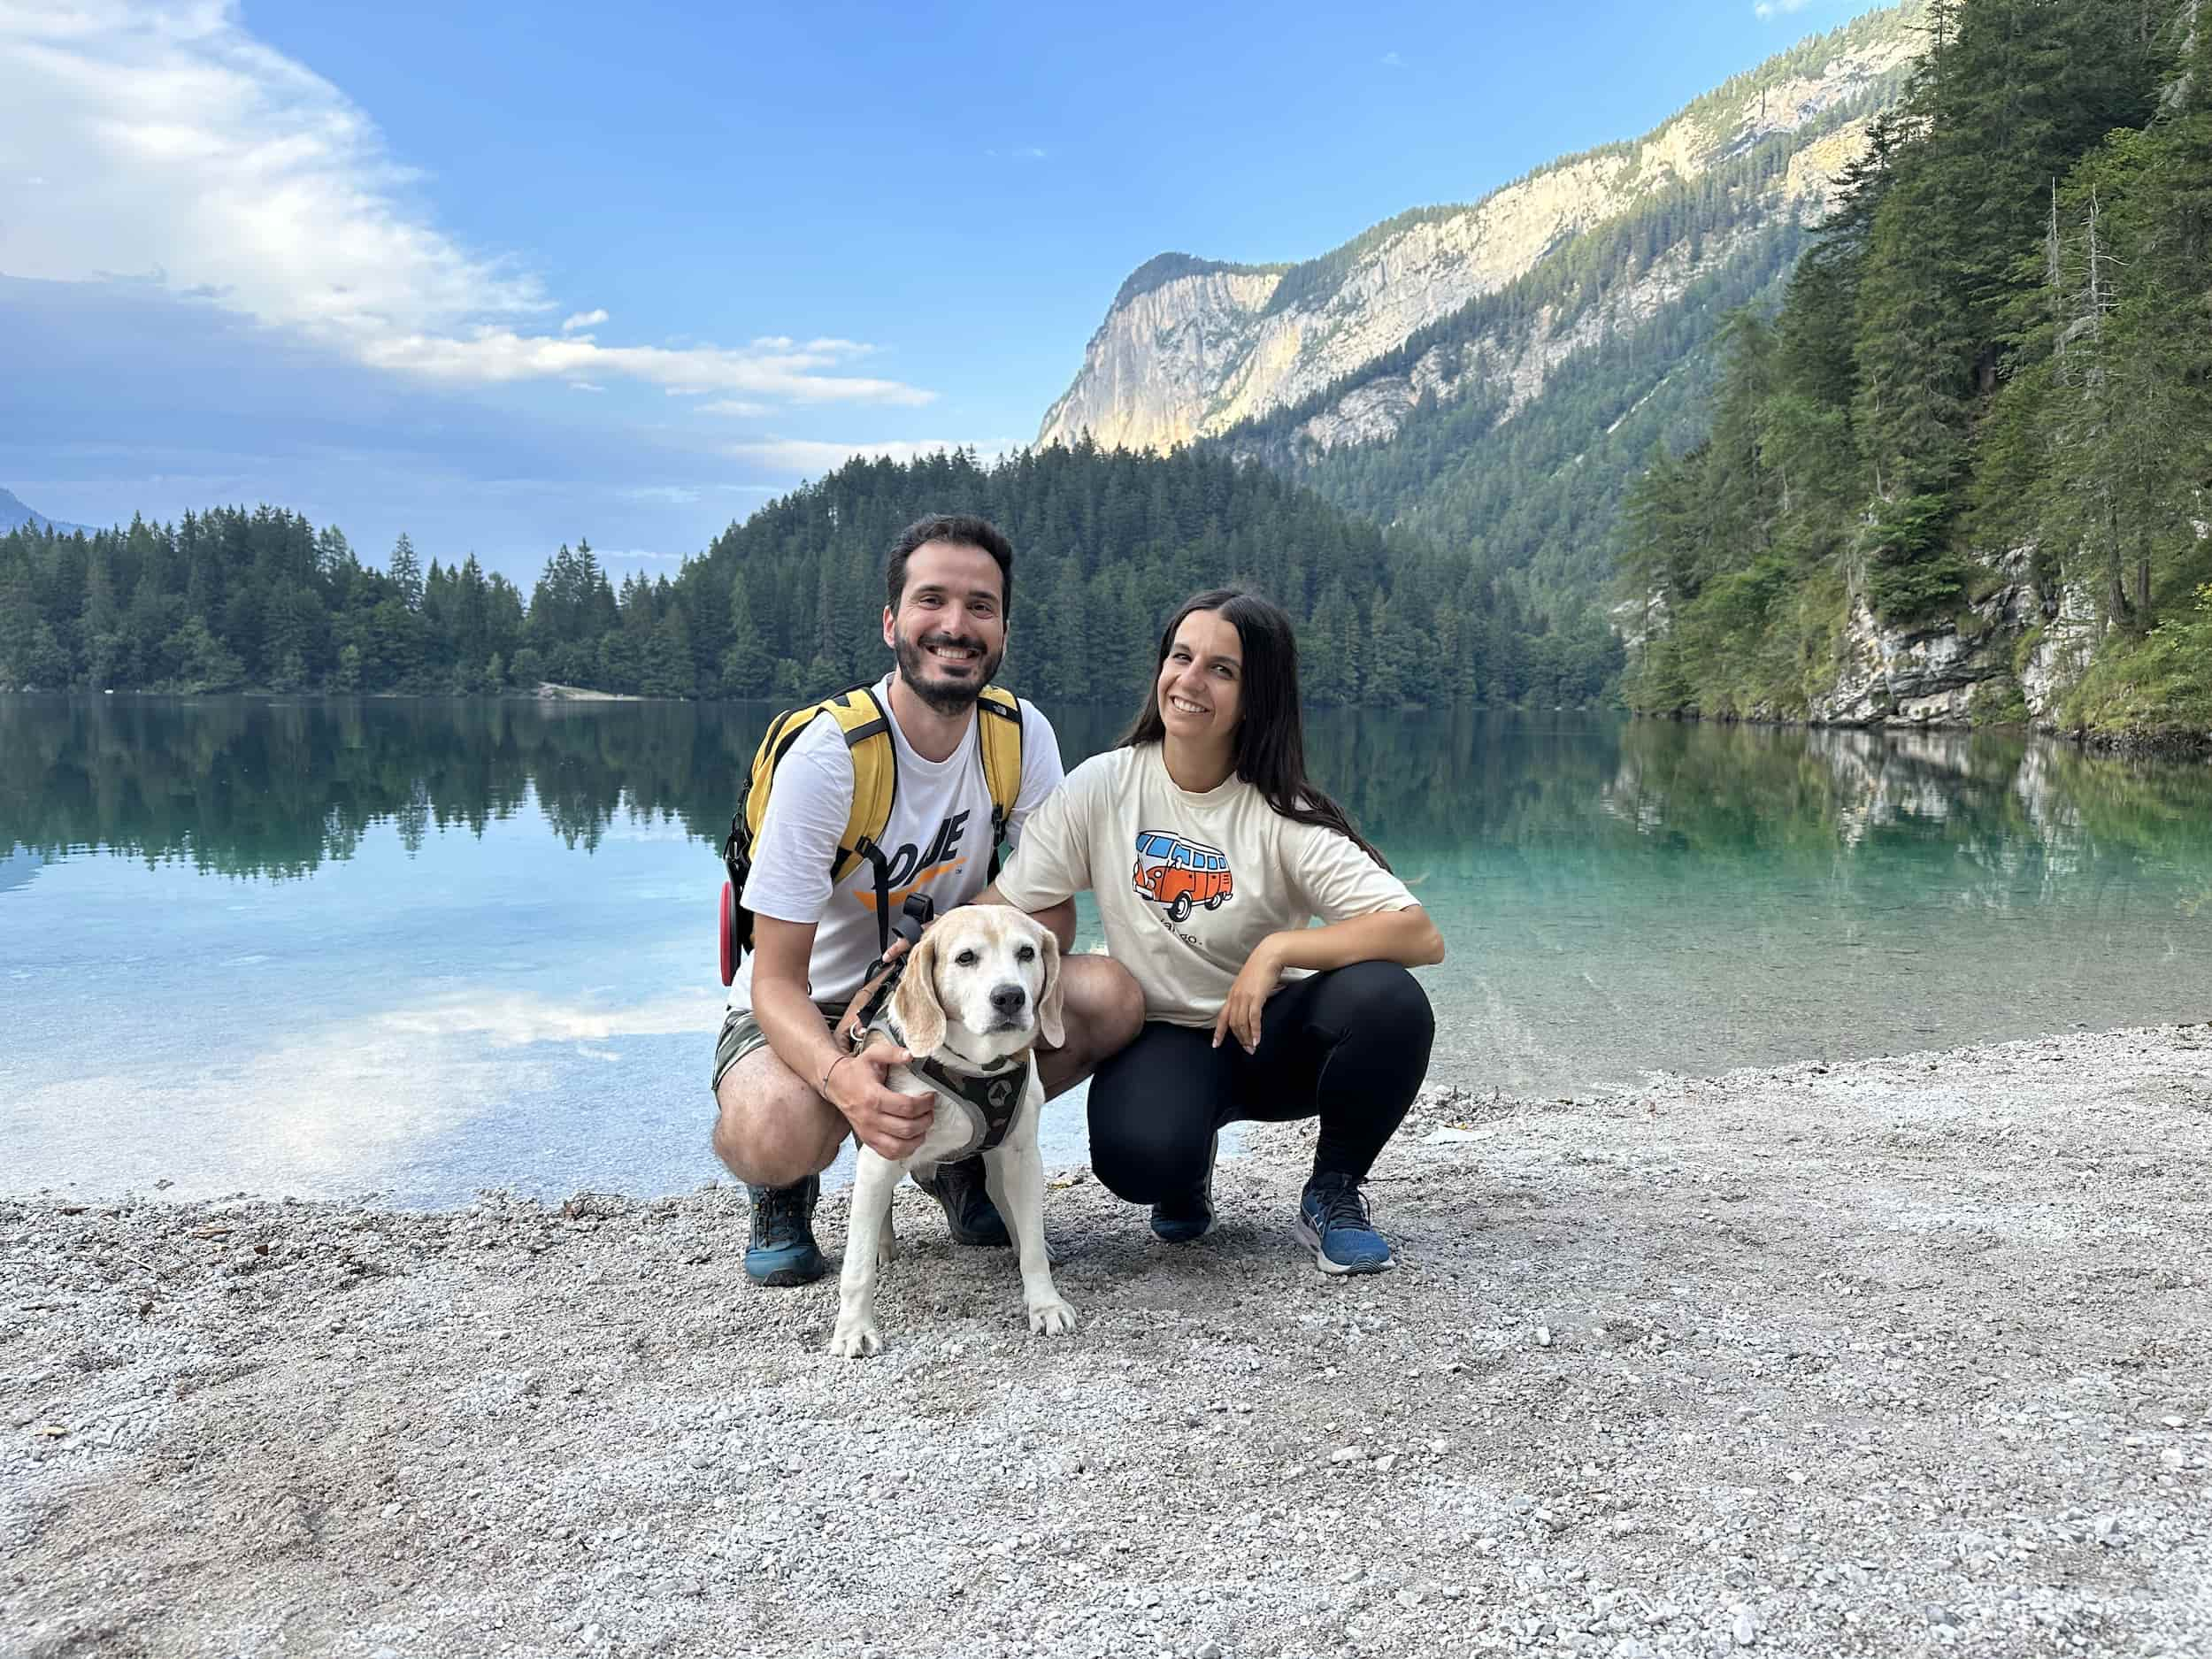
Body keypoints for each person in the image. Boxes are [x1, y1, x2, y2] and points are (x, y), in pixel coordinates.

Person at [710, 513, 1144, 1286]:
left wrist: (935, 986)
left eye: (981, 605)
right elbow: (773, 982)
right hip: (820, 1007)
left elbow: (1051, 920)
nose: (955, 625)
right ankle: (785, 1188)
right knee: (773, 1126)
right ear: (891, 622)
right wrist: (847, 1078)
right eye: (931, 600)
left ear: (1004, 627)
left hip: (948, 987)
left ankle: (958, 1150)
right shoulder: (830, 757)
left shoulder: (1019, 736)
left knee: (1109, 996)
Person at [986, 588, 1444, 1275]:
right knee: (1139, 1161)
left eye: (1221, 669)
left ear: (1255, 697)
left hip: (1269, 1036)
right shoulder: (1104, 786)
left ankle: (1333, 1192)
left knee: (1390, 1001)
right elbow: (1003, 906)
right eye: (1181, 656)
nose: (1191, 680)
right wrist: (912, 969)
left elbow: (1419, 934)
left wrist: (1280, 949)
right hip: (1163, 1034)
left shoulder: (1281, 813)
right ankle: (1185, 1168)